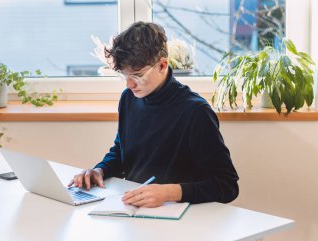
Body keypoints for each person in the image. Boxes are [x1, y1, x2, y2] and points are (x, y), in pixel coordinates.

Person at [68, 21, 239, 207]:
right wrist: (100, 170)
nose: (129, 85)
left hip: (178, 216)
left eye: (137, 76)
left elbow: (227, 185)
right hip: (133, 207)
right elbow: (121, 151)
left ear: (162, 66)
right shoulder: (129, 99)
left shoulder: (195, 112)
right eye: (124, 76)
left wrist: (169, 192)